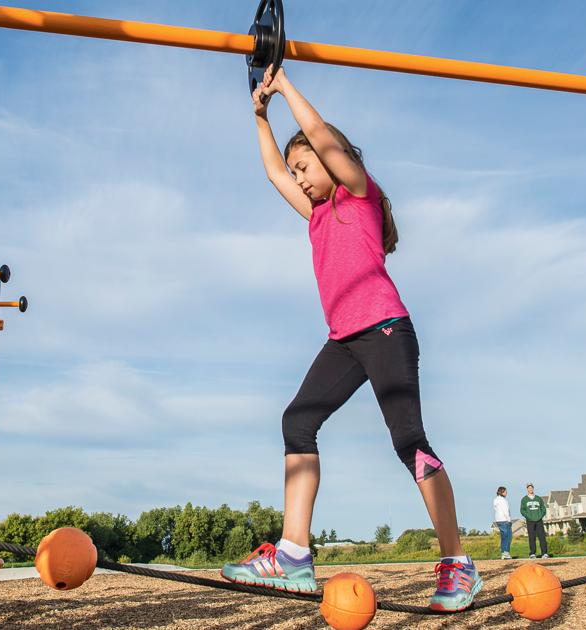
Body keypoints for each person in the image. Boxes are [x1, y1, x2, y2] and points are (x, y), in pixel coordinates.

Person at [220, 66, 481, 612]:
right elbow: (272, 173)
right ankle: (293, 556)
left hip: (385, 328)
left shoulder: (358, 195)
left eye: (306, 166)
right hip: (343, 339)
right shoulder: (314, 215)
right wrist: (261, 117)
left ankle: (457, 564)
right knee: (297, 421)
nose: (301, 176)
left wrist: (286, 84)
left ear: (334, 159)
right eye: (298, 169)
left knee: (409, 442)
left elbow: (323, 139)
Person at [519, 483, 549, 559]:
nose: (530, 489)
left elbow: (543, 508)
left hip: (539, 520)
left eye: (531, 488)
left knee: (542, 536)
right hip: (530, 521)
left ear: (533, 488)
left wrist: (540, 515)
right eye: (529, 488)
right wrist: (528, 516)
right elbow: (522, 510)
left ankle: (544, 553)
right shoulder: (524, 499)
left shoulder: (538, 498)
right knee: (532, 537)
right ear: (527, 489)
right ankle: (532, 553)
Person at [493, 486, 513, 559]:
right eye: (505, 491)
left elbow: (496, 509)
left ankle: (504, 553)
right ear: (502, 492)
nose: (506, 493)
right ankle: (505, 552)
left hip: (498, 520)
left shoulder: (495, 500)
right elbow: (506, 511)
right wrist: (509, 519)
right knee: (508, 537)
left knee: (504, 537)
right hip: (505, 520)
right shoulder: (503, 500)